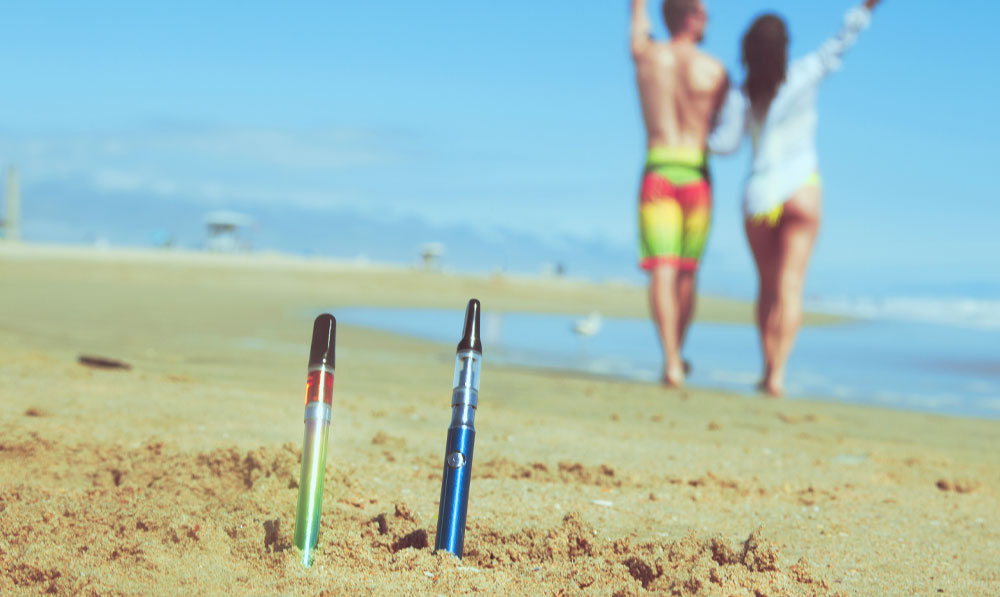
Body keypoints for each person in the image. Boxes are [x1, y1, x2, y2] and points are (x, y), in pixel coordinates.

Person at [710, 0, 883, 396]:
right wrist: (865, 9)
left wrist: (698, 134)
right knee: (791, 287)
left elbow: (726, 146)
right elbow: (842, 41)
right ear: (785, 47)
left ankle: (765, 363)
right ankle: (777, 374)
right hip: (803, 187)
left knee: (767, 288)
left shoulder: (742, 94)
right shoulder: (805, 74)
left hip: (758, 196)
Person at [630, 0, 729, 387]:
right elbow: (724, 132)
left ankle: (671, 358)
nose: (709, 19)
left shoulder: (646, 55)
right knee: (687, 271)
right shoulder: (716, 70)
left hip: (658, 169)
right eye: (704, 12)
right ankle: (676, 354)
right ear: (690, 16)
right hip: (697, 173)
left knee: (663, 267)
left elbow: (637, 10)